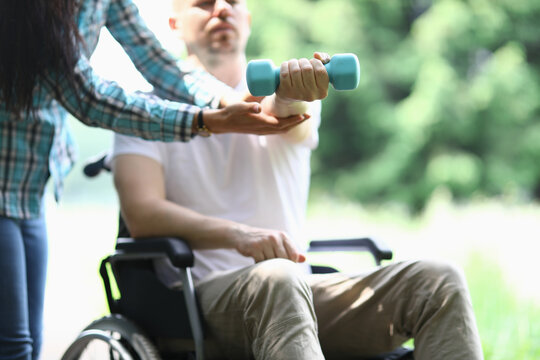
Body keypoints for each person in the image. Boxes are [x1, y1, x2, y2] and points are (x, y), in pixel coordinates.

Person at [112, 0, 484, 359]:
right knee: (278, 278)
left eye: (232, 2)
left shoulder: (277, 89)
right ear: (174, 24)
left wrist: (290, 93)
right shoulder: (146, 113)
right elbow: (143, 214)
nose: (221, 8)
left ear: (249, 20)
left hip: (297, 290)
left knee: (439, 279)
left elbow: (281, 114)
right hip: (198, 300)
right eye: (205, 3)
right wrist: (240, 235)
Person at [0, 0, 308, 359]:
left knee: (29, 343)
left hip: (30, 182)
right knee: (14, 346)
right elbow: (87, 96)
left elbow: (155, 60)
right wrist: (204, 120)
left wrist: (226, 100)